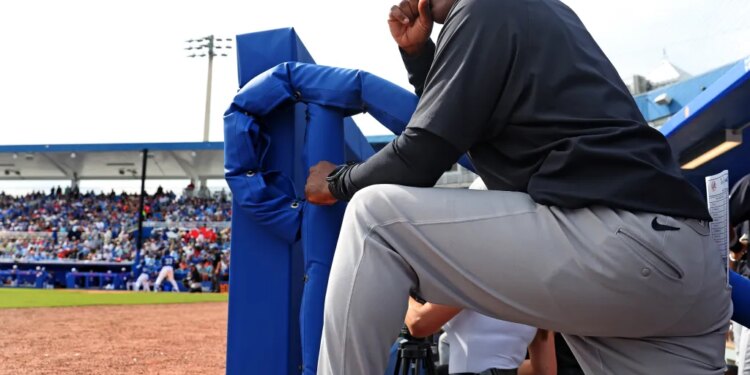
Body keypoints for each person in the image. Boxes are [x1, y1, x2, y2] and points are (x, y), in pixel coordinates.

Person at [306, 0, 729, 374]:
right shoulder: (537, 12)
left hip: (621, 243)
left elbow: (422, 155)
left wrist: (336, 182)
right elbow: (458, 112)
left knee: (375, 219)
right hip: (686, 264)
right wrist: (420, 59)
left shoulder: (483, 7)